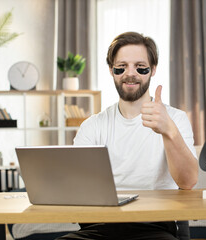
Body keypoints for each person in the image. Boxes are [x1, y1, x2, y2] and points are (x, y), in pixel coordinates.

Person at [58, 32, 198, 240]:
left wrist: (169, 130)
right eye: (121, 67)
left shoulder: (175, 119)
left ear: (153, 70)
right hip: (100, 226)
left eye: (140, 66)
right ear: (111, 71)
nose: (129, 74)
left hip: (155, 227)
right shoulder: (92, 126)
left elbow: (188, 182)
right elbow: (78, 185)